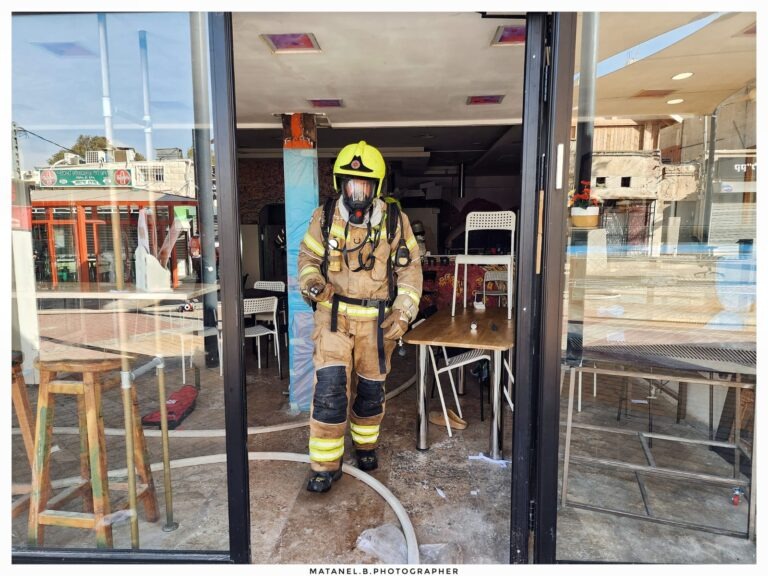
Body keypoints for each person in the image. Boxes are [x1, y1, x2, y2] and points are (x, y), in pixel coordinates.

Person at [298, 141, 422, 493]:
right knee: (329, 391)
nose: (356, 194)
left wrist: (404, 313)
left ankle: (365, 446)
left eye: (364, 186)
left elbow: (411, 270)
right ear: (340, 184)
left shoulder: (395, 222)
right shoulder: (325, 217)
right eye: (351, 185)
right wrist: (312, 283)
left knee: (370, 391)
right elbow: (308, 258)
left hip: (376, 324)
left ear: (376, 188)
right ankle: (324, 466)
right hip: (332, 320)